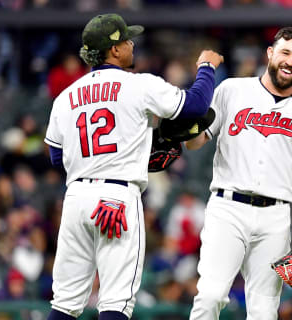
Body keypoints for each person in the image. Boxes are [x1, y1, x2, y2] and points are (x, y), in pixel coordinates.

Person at [43, 13, 223, 320]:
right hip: (116, 198)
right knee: (116, 303)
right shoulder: (137, 85)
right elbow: (195, 106)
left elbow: (57, 157)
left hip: (75, 200)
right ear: (114, 50)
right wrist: (206, 68)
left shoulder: (66, 96)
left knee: (64, 304)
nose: (131, 44)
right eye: (127, 40)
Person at [186, 27, 292, 320]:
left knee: (265, 310)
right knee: (211, 296)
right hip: (227, 208)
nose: (290, 61)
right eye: (285, 53)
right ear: (270, 54)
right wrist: (187, 126)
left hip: (275, 217)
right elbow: (195, 142)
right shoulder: (231, 90)